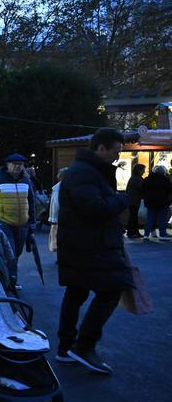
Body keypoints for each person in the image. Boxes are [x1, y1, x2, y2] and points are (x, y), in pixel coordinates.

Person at [55, 128, 133, 374]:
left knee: (76, 292)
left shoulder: (85, 171)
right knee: (111, 290)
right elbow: (96, 209)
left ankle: (66, 347)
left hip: (82, 245)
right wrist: (123, 199)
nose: (116, 156)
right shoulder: (85, 174)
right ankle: (83, 346)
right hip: (91, 247)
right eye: (115, 151)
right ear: (101, 148)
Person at [0, 153, 37, 289]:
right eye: (15, 164)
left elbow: (31, 201)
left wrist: (32, 221)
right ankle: (9, 281)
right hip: (4, 222)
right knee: (10, 252)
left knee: (17, 252)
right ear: (7, 165)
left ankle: (11, 278)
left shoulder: (26, 180)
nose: (18, 167)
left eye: (21, 164)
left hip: (23, 223)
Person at [142, 165, 172, 242]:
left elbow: (143, 190)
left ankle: (146, 234)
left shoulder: (147, 179)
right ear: (163, 172)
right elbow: (169, 190)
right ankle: (162, 234)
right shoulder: (165, 179)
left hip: (150, 203)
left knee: (150, 218)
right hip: (163, 202)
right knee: (162, 219)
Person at [48, 168, 68, 252]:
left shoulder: (60, 187)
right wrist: (54, 219)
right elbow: (55, 205)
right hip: (61, 217)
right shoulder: (59, 188)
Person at [125, 164, 146, 239]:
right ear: (139, 170)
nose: (144, 171)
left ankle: (134, 231)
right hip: (135, 201)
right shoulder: (137, 179)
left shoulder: (134, 178)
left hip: (132, 200)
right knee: (133, 217)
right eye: (143, 169)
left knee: (133, 217)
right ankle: (131, 232)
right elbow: (142, 189)